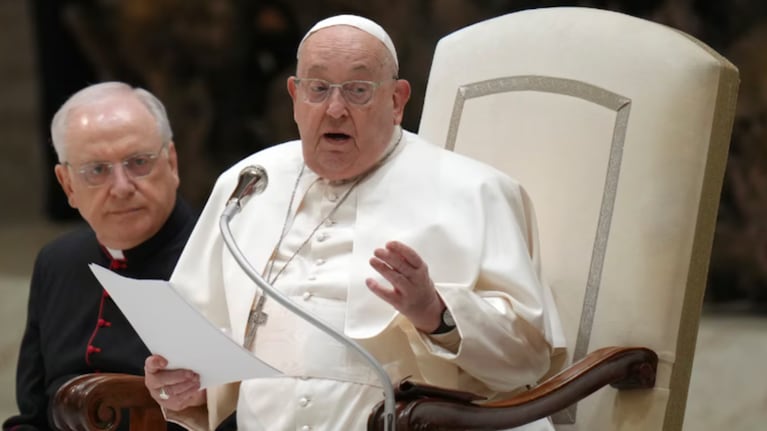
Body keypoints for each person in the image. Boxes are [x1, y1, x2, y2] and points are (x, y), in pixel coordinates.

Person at [144, 15, 564, 431]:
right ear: (294, 96)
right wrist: (186, 384)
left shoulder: (475, 191)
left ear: (397, 101)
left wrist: (436, 314)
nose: (335, 109)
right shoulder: (251, 182)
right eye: (318, 88)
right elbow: (195, 345)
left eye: (359, 90)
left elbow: (526, 362)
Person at [3, 82, 196, 431]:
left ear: (172, 162)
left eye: (139, 163)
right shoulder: (57, 261)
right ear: (67, 186)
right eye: (97, 170)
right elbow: (33, 414)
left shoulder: (222, 258)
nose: (122, 187)